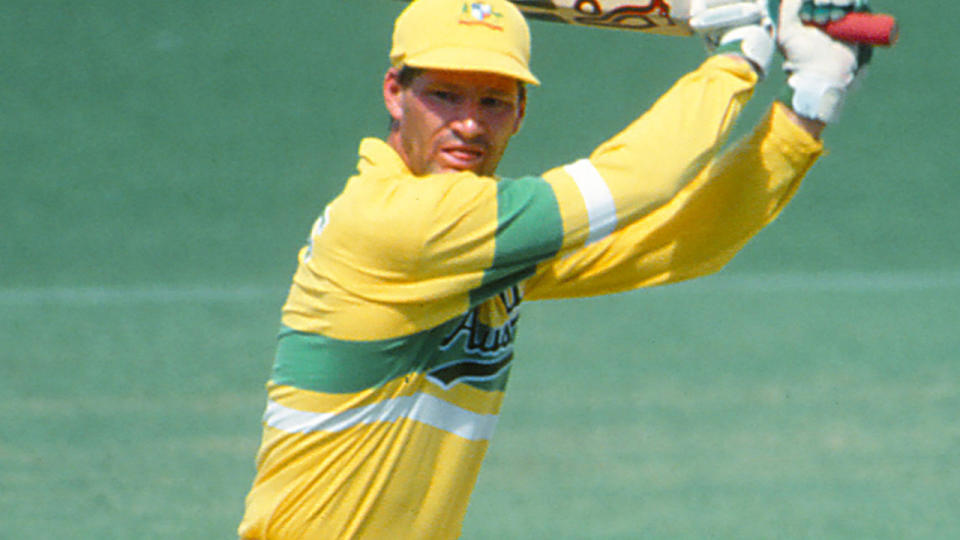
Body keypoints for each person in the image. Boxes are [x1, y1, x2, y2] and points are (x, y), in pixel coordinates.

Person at [238, 0, 874, 537]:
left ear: (521, 113)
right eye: (444, 95)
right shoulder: (396, 226)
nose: (468, 123)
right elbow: (639, 179)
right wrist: (741, 52)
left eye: (494, 100)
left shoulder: (484, 240)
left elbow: (678, 238)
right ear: (394, 93)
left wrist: (810, 105)